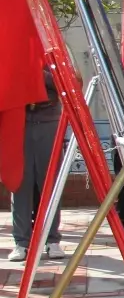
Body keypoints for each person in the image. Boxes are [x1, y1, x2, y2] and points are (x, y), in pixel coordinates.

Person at [8, 68, 65, 263]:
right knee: (20, 184)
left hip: (48, 121)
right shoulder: (15, 51)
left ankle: (52, 239)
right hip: (19, 121)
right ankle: (22, 242)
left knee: (49, 183)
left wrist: (36, 73)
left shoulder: (51, 49)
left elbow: (65, 81)